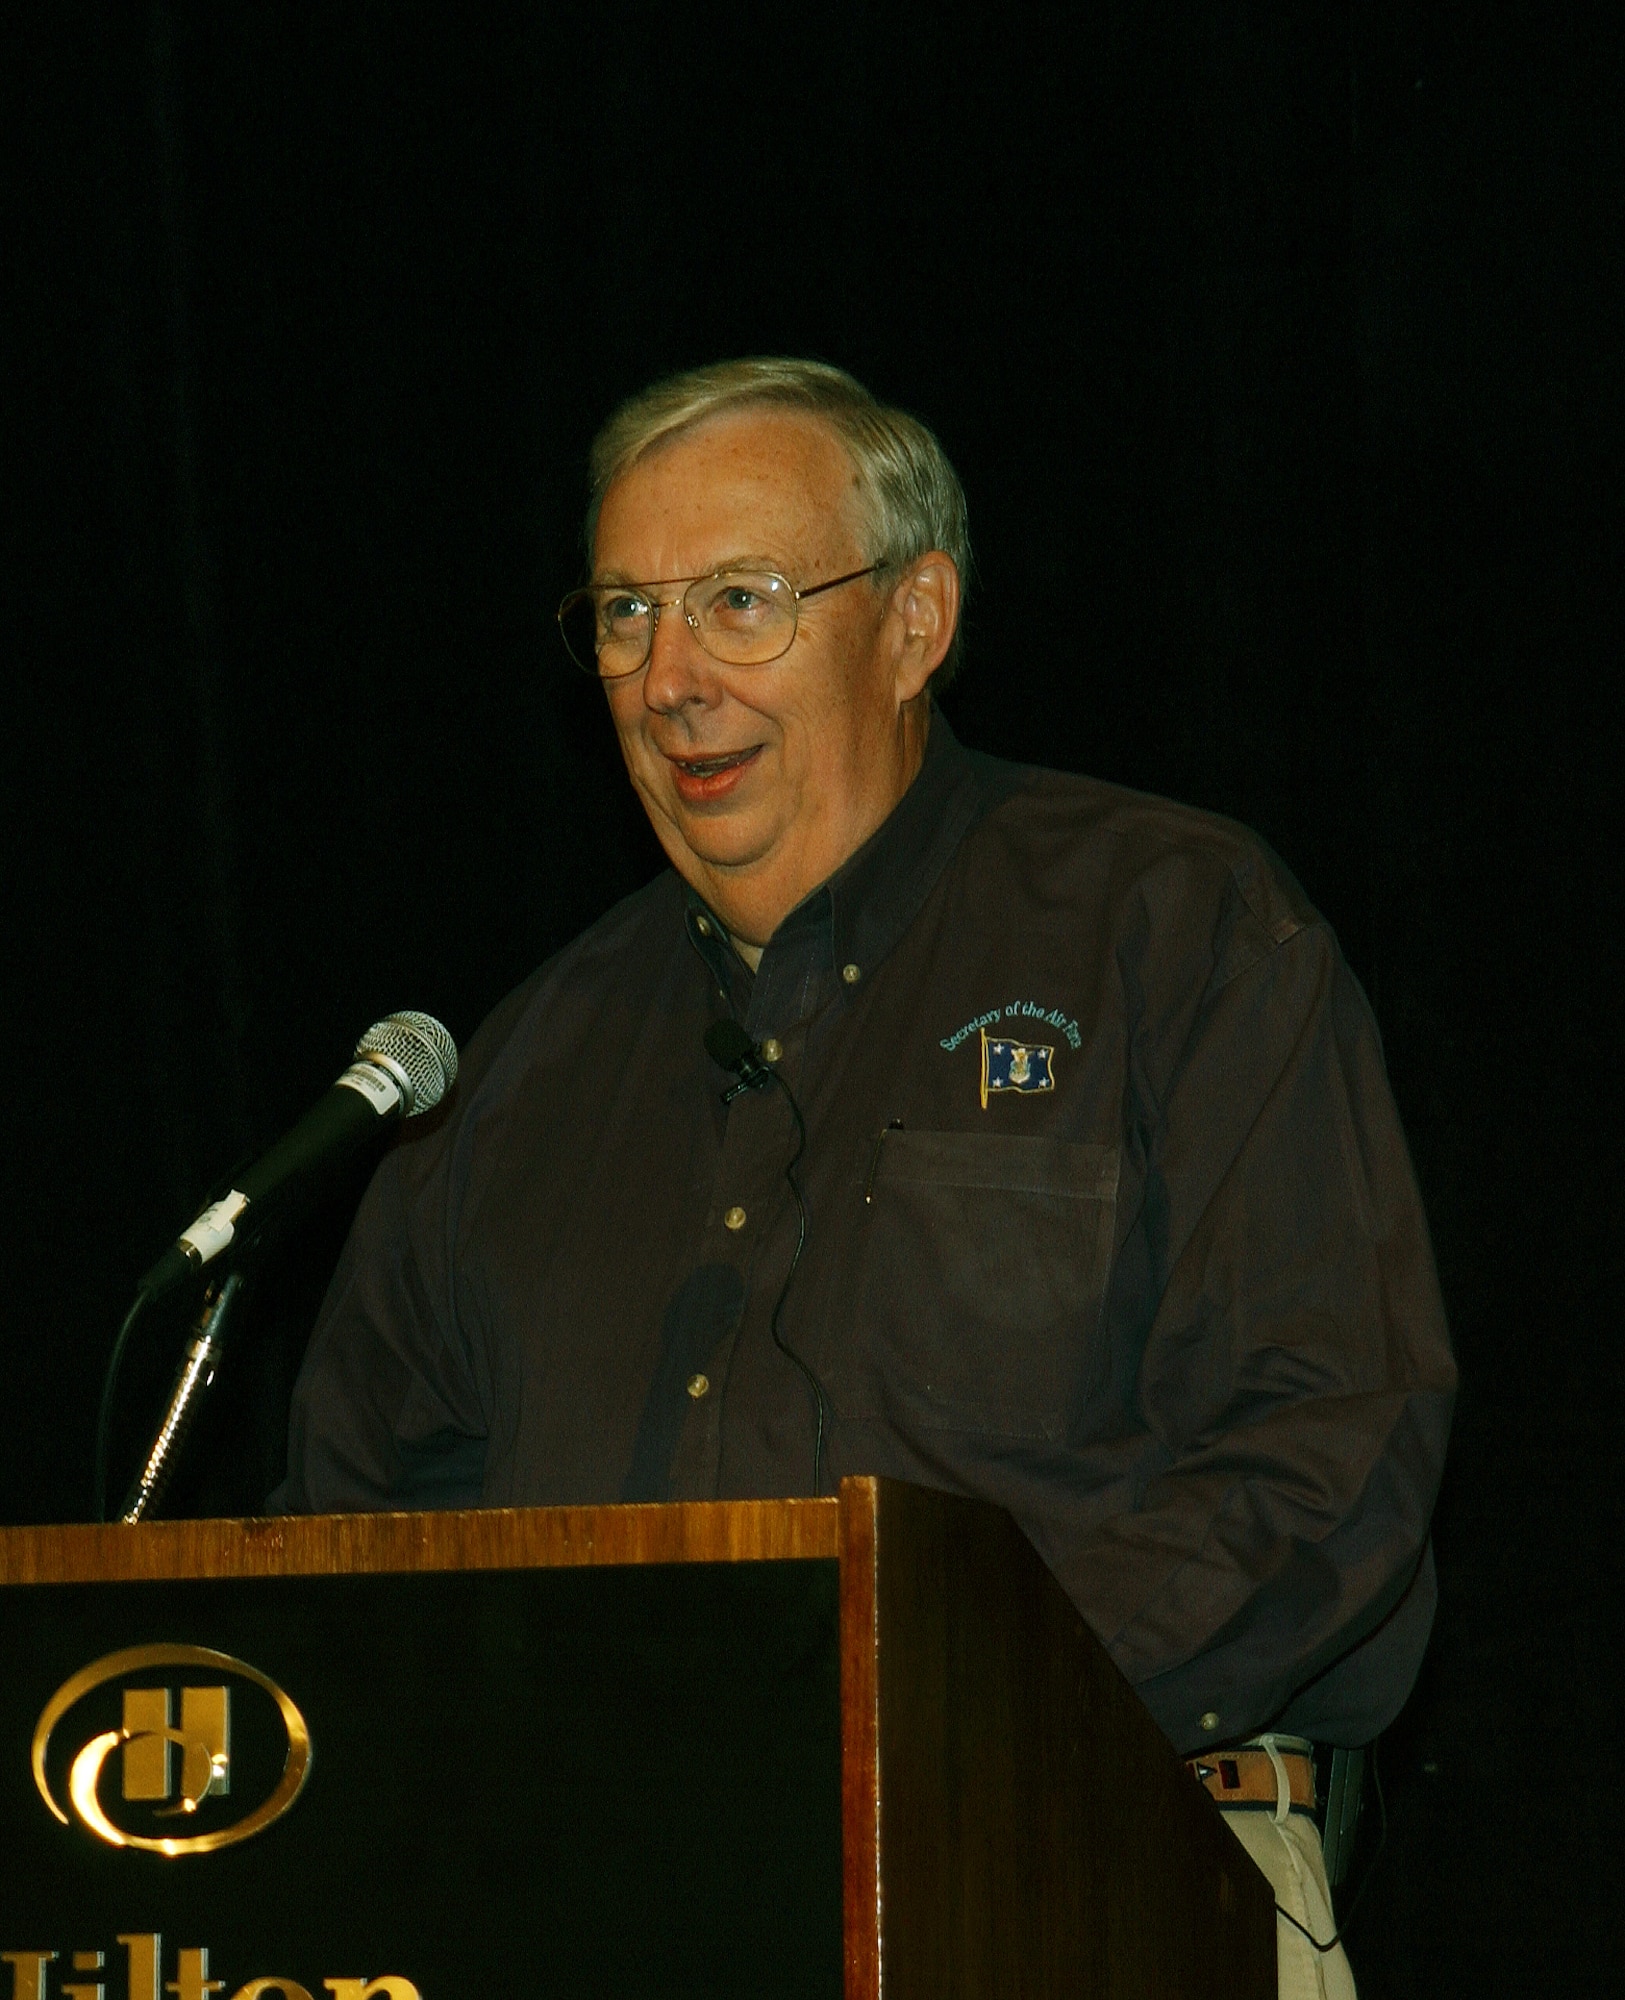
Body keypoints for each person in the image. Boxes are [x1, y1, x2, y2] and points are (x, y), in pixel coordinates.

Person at [275, 358, 1455, 1997]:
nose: (667, 677)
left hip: (1089, 1857)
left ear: (913, 624)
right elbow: (355, 1543)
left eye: (738, 601)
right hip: (605, 1909)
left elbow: (1335, 1436)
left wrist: (923, 1711)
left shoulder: (1166, 928)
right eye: (623, 613)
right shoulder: (523, 1068)